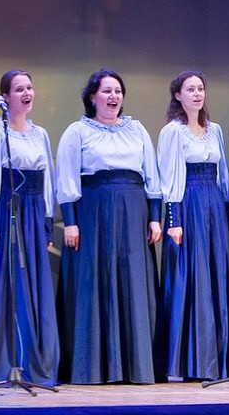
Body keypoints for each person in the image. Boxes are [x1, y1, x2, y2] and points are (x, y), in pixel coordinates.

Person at [54, 68, 162, 384]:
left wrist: (155, 216)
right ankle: (91, 366)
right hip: (93, 211)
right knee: (94, 282)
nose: (113, 96)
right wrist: (70, 223)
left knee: (132, 282)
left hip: (133, 211)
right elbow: (67, 177)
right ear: (92, 97)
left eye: (118, 91)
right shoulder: (78, 131)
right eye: (106, 91)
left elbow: (151, 174)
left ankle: (135, 366)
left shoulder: (136, 129)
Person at [0, 69, 59, 386]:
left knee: (33, 286)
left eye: (29, 88)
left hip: (33, 215)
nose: (27, 93)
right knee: (9, 286)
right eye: (19, 89)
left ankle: (34, 362)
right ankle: (5, 362)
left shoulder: (40, 134)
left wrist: (46, 226)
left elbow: (47, 182)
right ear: (5, 96)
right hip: (7, 211)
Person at [157, 70, 229, 381]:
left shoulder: (214, 130)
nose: (197, 94)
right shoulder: (173, 132)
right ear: (178, 95)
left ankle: (216, 360)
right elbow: (169, 178)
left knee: (216, 276)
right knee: (192, 277)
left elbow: (223, 174)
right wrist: (174, 220)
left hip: (214, 205)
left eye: (200, 88)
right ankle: (190, 361)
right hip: (188, 205)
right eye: (190, 89)